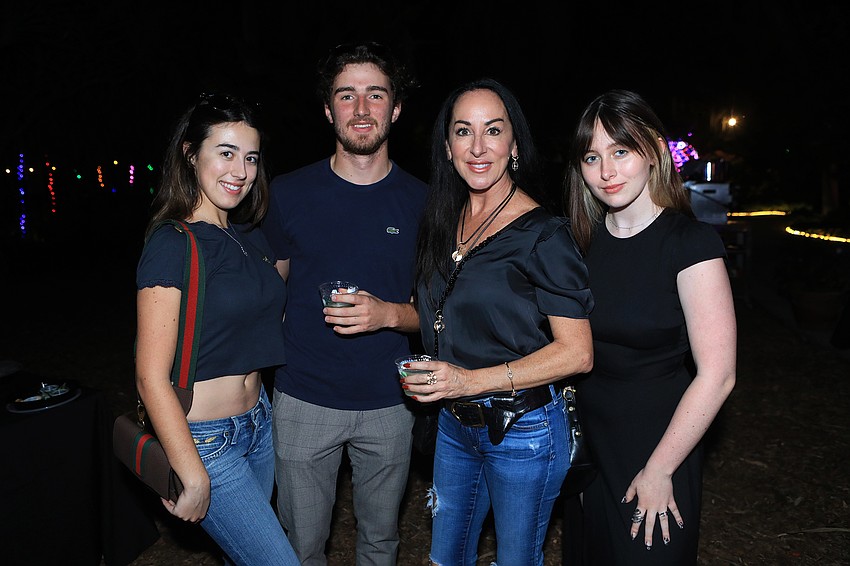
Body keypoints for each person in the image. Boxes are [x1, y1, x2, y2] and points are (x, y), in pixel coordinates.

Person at [408, 78, 594, 565]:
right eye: (463, 131)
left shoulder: (544, 235)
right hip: (453, 425)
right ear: (447, 147)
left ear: (514, 145)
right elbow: (441, 311)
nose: (478, 146)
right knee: (446, 559)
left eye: (493, 130)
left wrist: (467, 379)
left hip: (524, 431)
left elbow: (577, 352)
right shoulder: (445, 220)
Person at [260, 42, 427, 565]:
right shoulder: (285, 195)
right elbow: (268, 299)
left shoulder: (425, 202)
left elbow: (441, 311)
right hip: (303, 401)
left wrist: (389, 315)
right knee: (300, 548)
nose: (361, 109)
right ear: (328, 110)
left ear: (394, 109)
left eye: (375, 95)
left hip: (390, 404)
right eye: (346, 95)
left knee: (380, 543)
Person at [565, 89, 737, 564]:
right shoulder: (579, 247)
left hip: (661, 448)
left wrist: (660, 469)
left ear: (654, 152)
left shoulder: (689, 244)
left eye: (621, 151)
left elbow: (718, 375)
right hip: (590, 455)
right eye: (592, 157)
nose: (606, 171)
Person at [134, 93, 299, 565]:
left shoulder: (250, 236)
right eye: (225, 153)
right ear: (191, 155)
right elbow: (150, 376)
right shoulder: (173, 243)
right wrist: (193, 473)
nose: (240, 170)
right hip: (205, 440)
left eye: (250, 157)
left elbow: (262, 315)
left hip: (258, 423)